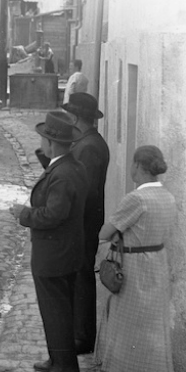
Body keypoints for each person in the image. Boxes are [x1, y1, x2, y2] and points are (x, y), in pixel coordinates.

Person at [79, 145, 176, 372]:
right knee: (151, 329)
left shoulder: (136, 199)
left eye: (133, 164)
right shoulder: (168, 197)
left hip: (134, 268)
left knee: (125, 329)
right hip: (157, 265)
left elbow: (104, 232)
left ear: (138, 166)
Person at [10, 110, 88, 372]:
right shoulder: (68, 166)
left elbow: (54, 214)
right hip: (61, 252)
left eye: (43, 139)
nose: (41, 143)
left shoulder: (63, 173)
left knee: (56, 312)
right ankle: (59, 361)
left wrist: (24, 214)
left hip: (55, 254)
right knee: (56, 311)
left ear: (52, 143)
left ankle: (64, 370)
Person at [62, 93, 110, 355]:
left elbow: (86, 191)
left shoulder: (90, 146)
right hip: (81, 222)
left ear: (78, 117)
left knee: (81, 279)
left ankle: (83, 337)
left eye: (71, 115)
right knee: (77, 277)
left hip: (83, 222)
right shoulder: (85, 141)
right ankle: (78, 333)